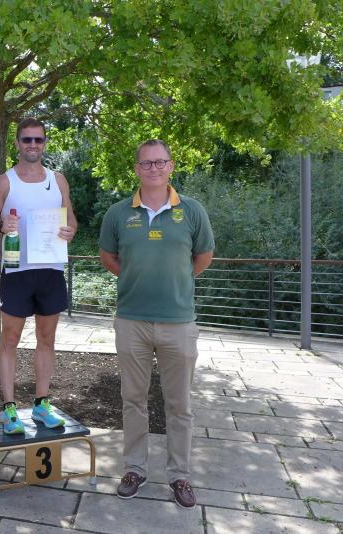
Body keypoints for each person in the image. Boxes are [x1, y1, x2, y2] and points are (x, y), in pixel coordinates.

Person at [98, 139, 214, 508]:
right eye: (146, 163)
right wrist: (136, 277)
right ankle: (135, 469)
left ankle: (180, 475)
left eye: (160, 162)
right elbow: (108, 257)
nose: (153, 168)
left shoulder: (192, 211)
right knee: (133, 400)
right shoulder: (118, 213)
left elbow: (203, 256)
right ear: (136, 169)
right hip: (131, 320)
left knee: (179, 404)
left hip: (178, 322)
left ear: (171, 166)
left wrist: (177, 281)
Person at [0, 118, 77, 434]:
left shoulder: (58, 180)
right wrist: (1, 226)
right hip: (16, 271)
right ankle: (9, 408)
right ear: (17, 143)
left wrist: (70, 230)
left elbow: (71, 221)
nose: (32, 145)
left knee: (46, 339)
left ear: (45, 142)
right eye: (27, 139)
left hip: (50, 269)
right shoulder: (4, 181)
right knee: (10, 339)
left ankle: (42, 404)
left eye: (38, 139)